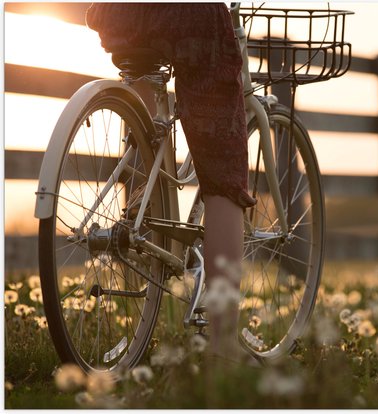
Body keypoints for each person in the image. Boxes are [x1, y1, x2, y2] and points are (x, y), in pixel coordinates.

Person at [86, 3, 256, 363]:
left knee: (145, 125)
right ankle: (223, 345)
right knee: (224, 176)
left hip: (118, 13)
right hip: (190, 15)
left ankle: (143, 225)